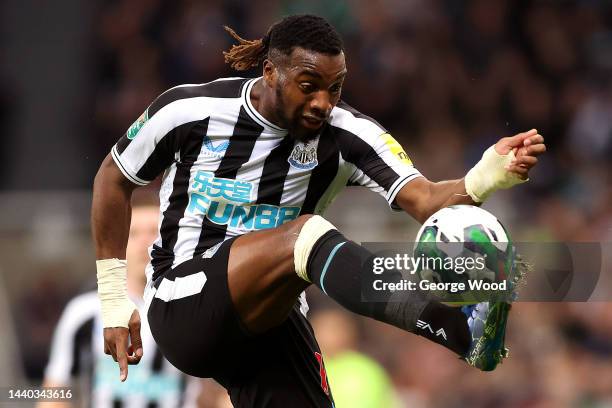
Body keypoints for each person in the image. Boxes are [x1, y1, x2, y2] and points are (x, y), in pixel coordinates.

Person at [91, 14, 546, 407]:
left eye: (336, 87)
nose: (323, 103)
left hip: (270, 322)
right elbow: (113, 178)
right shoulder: (191, 109)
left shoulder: (348, 135)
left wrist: (489, 174)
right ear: (270, 72)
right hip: (184, 303)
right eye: (309, 87)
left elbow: (426, 201)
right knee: (304, 235)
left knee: (301, 246)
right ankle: (462, 331)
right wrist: (113, 300)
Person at [40, 200, 202, 408]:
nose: (145, 242)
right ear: (119, 242)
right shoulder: (84, 312)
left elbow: (217, 392)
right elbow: (55, 393)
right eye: (134, 233)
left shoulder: (194, 308)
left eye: (155, 231)